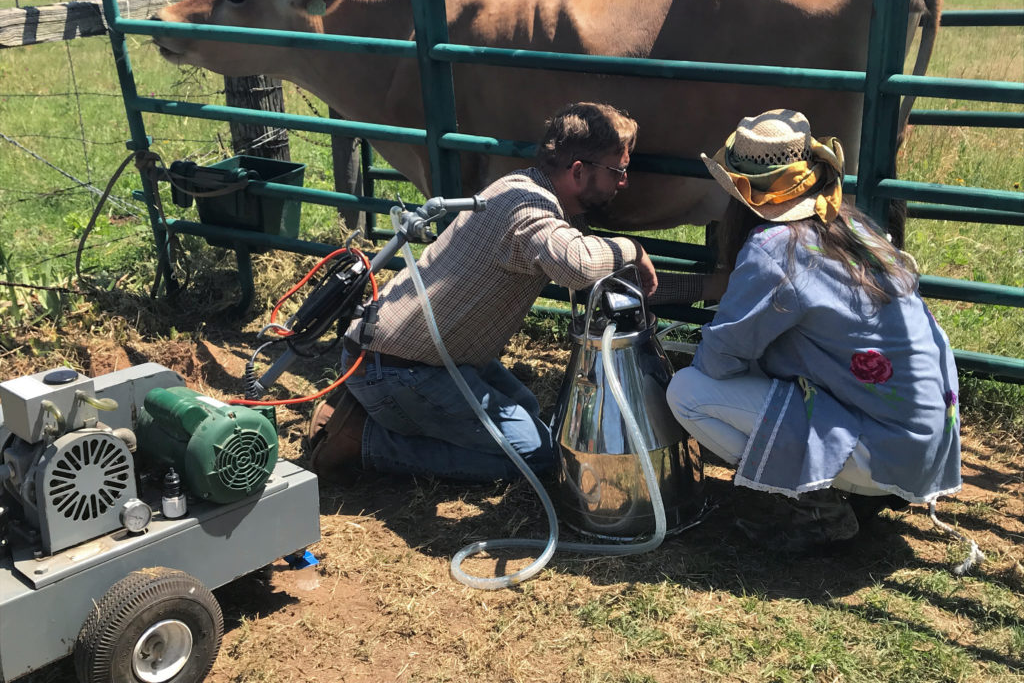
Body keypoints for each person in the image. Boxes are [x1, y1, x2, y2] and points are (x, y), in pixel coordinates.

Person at [309, 102, 718, 481]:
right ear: (578, 171)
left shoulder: (540, 200)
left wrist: (712, 286)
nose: (624, 182)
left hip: (432, 360)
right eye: (617, 171)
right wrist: (633, 247)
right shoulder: (528, 207)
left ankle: (381, 416)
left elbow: (619, 284)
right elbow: (577, 265)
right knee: (537, 458)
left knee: (531, 412)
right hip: (399, 370)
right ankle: (360, 440)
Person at [665, 108, 962, 554]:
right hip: (927, 440)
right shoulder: (851, 225)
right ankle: (865, 490)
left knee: (687, 391)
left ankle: (815, 506)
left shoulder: (774, 249)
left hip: (889, 447)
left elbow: (718, 363)